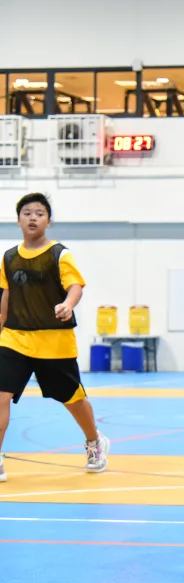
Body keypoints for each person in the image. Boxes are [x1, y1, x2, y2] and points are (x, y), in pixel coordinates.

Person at [0, 193, 108, 482]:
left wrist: (68, 304)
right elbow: (6, 298)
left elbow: (75, 286)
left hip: (54, 342)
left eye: (39, 213)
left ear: (48, 220)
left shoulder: (60, 254)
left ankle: (95, 442)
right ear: (18, 219)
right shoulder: (9, 257)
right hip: (14, 338)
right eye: (26, 213)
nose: (32, 217)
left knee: (73, 399)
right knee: (0, 397)